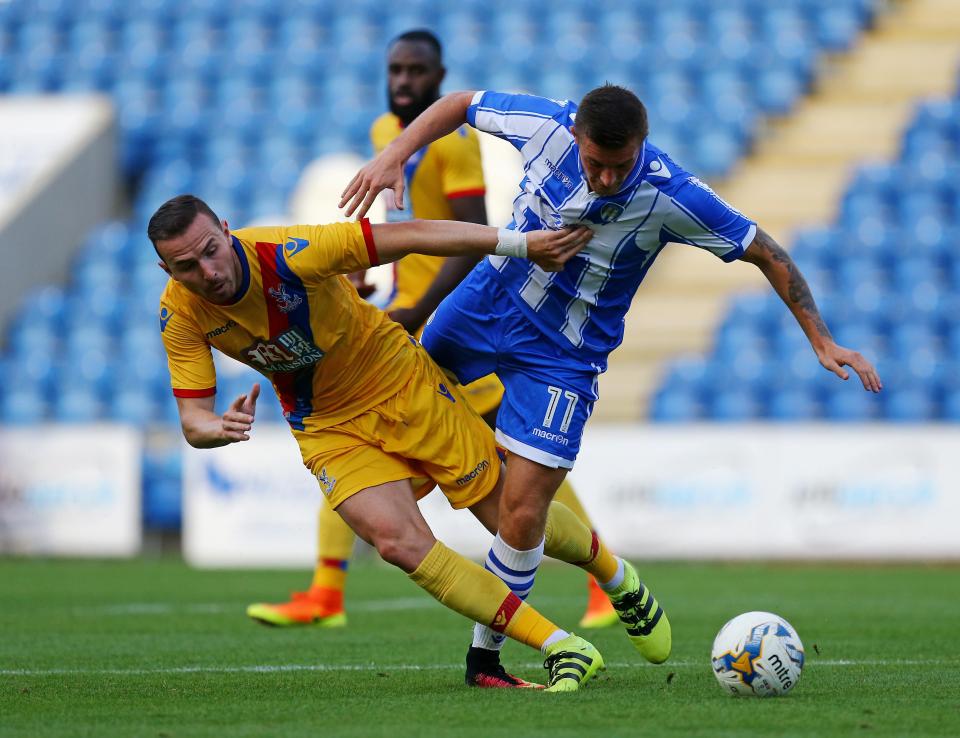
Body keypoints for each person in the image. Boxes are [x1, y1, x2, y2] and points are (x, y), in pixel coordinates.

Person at [340, 84, 884, 668]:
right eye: (595, 164)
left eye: (619, 166)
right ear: (576, 136)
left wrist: (821, 339)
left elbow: (766, 250)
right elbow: (461, 103)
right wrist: (394, 152)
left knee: (522, 510)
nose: (605, 179)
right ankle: (610, 571)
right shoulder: (544, 125)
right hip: (486, 302)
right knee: (399, 396)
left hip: (563, 357)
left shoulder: (670, 193)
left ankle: (488, 659)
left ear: (641, 146)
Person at [150, 193, 633, 691]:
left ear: (227, 230)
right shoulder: (180, 315)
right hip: (325, 423)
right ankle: (561, 645)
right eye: (186, 265)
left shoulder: (290, 252)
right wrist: (216, 429)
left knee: (508, 515)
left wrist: (521, 244)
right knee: (398, 544)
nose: (206, 271)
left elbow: (412, 235)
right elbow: (193, 420)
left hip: (398, 382)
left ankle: (617, 577)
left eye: (211, 250)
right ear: (167, 268)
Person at [246, 29, 618, 641]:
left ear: (439, 77)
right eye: (394, 70)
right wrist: (368, 282)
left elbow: (472, 234)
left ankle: (602, 583)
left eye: (416, 72)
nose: (402, 81)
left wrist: (418, 309)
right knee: (352, 447)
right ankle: (325, 590)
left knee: (526, 464)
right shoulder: (381, 136)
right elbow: (393, 225)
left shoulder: (457, 145)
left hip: (450, 320)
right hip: (405, 316)